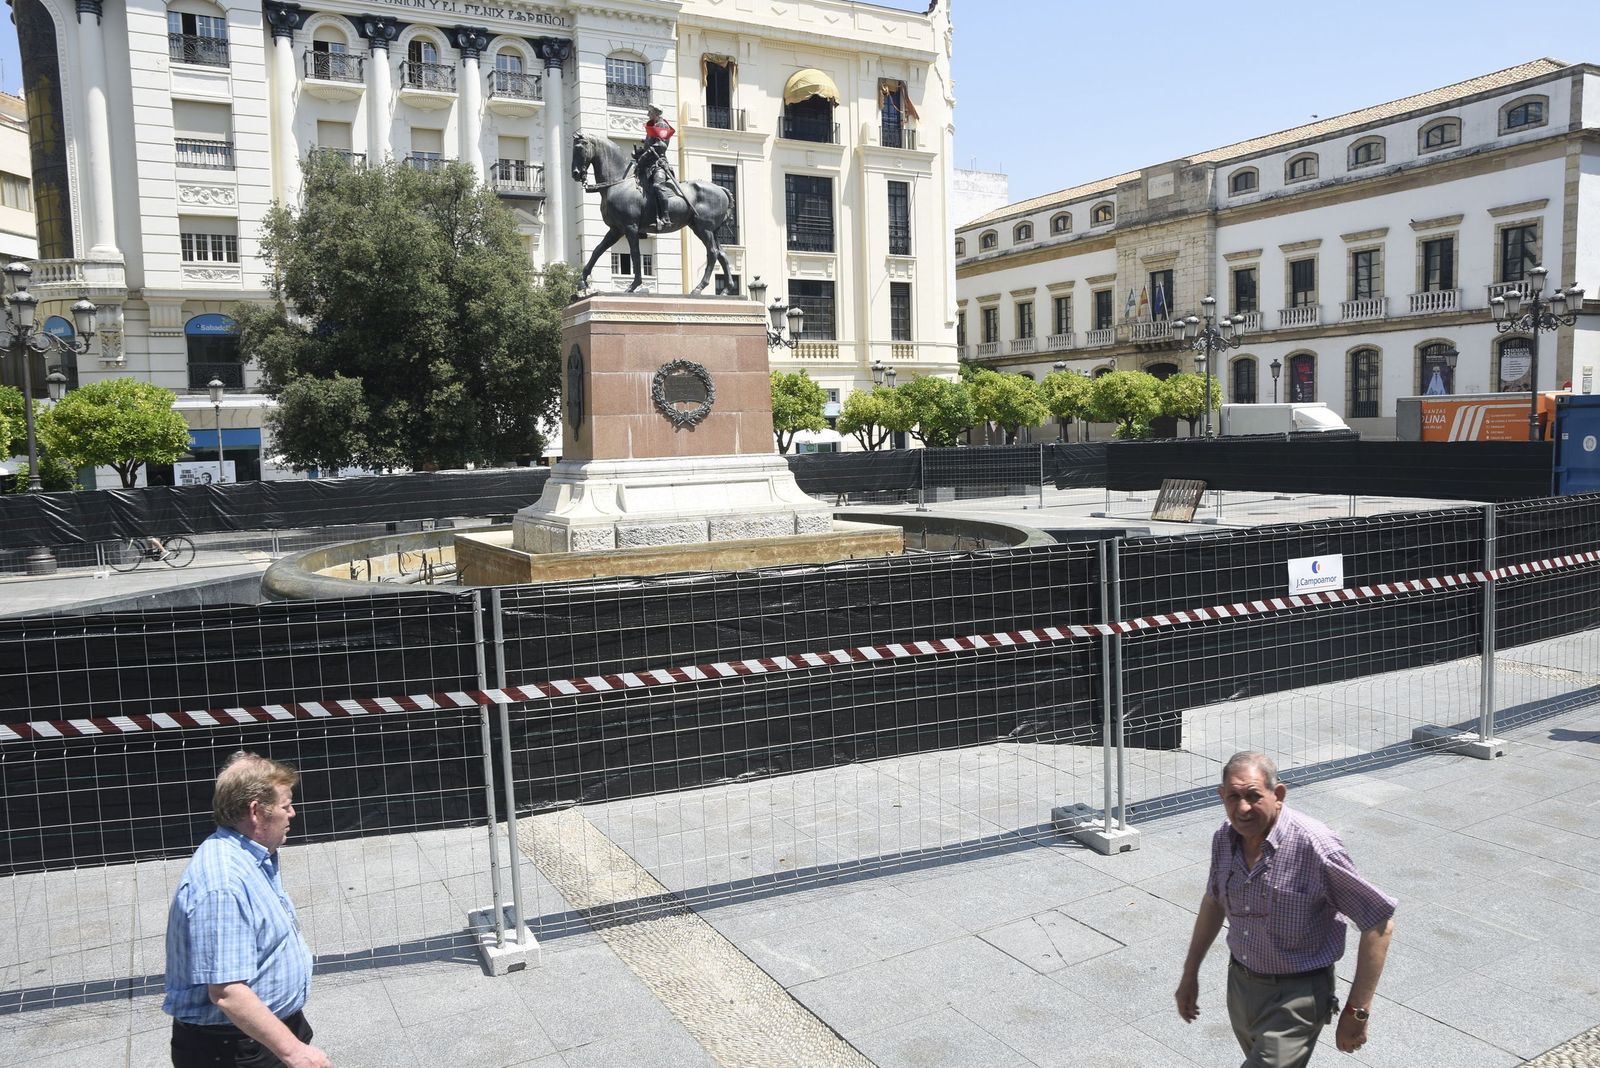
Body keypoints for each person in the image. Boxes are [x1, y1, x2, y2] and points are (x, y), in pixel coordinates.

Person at [1175, 752, 1395, 1067]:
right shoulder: (1224, 838)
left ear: (1278, 795)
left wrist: (1357, 1011)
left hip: (1297, 998)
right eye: (1234, 797)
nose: (1243, 808)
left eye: (1254, 796)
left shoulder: (1315, 846)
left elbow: (1379, 923)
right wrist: (1190, 974)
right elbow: (1214, 901)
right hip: (1240, 988)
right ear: (1222, 796)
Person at [163, 751, 330, 1068]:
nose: (292, 813)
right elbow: (228, 992)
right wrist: (294, 1052)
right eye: (285, 806)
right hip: (234, 1049)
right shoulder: (223, 884)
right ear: (256, 812)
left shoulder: (252, 857)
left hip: (265, 1033)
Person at [640, 105, 681, 231]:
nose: (648, 114)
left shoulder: (662, 125)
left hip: (658, 163)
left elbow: (661, 145)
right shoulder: (653, 126)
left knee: (658, 185)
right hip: (648, 163)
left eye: (650, 112)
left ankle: (666, 218)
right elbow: (650, 145)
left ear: (656, 113)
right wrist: (641, 152)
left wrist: (646, 154)